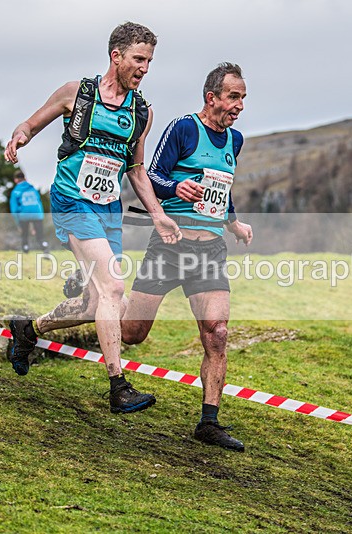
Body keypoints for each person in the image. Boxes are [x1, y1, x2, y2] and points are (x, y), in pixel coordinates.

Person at [3, 22, 181, 414]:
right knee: (115, 289)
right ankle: (118, 387)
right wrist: (19, 137)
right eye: (138, 59)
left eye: (150, 61)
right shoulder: (77, 93)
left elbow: (136, 171)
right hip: (71, 202)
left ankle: (27, 330)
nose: (145, 68)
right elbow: (31, 124)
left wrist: (159, 215)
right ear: (115, 56)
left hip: (108, 210)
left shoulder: (141, 112)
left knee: (95, 303)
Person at [120, 63, 253, 451]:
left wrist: (234, 223)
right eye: (233, 97)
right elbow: (151, 177)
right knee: (133, 333)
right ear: (211, 97)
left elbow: (221, 189)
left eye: (243, 98)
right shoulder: (183, 128)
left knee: (218, 333)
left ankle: (208, 423)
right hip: (171, 244)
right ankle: (91, 305)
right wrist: (178, 187)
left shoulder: (235, 140)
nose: (240, 106)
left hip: (209, 250)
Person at [9, 169, 49, 253]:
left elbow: (14, 209)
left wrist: (18, 223)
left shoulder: (15, 191)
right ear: (25, 178)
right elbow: (39, 202)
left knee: (24, 233)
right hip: (37, 214)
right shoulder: (33, 189)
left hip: (24, 214)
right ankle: (43, 245)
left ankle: (25, 247)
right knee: (40, 234)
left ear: (15, 180)